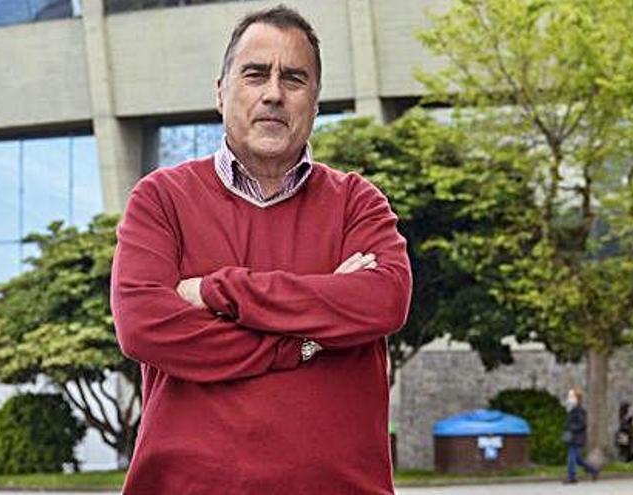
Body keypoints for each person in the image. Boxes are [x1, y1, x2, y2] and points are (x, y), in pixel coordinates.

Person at [110, 4, 412, 494]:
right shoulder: (160, 199)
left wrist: (218, 289)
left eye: (294, 79)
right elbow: (144, 326)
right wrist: (308, 339)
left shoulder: (358, 202)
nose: (274, 93)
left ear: (315, 101)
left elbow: (384, 300)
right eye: (255, 74)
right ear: (221, 91)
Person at [562, 387, 600, 484]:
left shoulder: (579, 410)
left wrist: (571, 428)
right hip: (573, 437)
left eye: (571, 396)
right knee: (578, 459)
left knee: (571, 457)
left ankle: (572, 477)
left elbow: (582, 424)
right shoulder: (571, 409)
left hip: (577, 437)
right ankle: (594, 470)